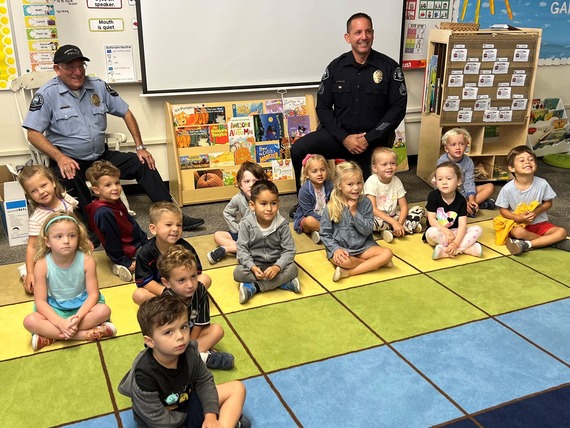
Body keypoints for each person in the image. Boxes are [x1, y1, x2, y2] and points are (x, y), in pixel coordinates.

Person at [21, 44, 204, 231]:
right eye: (70, 67)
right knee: (68, 177)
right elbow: (33, 133)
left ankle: (172, 214)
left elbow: (126, 112)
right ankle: (89, 228)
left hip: (100, 156)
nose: (77, 72)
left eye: (81, 66)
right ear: (57, 69)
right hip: (69, 159)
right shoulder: (47, 94)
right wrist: (60, 157)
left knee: (143, 163)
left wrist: (140, 147)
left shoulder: (97, 86)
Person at [290, 12, 407, 213]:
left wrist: (368, 138)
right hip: (339, 136)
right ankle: (306, 203)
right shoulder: (336, 67)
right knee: (299, 149)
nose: (364, 37)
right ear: (348, 37)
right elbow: (323, 108)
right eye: (358, 32)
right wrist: (344, 138)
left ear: (373, 34)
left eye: (368, 31)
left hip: (372, 141)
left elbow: (397, 109)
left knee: (362, 202)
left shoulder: (389, 68)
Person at [118, 294, 249, 428]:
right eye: (168, 332)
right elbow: (158, 421)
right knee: (237, 420)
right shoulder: (144, 376)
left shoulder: (189, 351)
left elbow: (204, 381)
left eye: (184, 327)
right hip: (165, 423)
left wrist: (210, 416)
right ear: (150, 341)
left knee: (237, 388)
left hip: (186, 403)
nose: (180, 336)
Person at [22, 212, 116, 351]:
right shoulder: (41, 265)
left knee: (103, 311)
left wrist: (77, 318)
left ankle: (51, 336)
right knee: (29, 321)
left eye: (71, 235)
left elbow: (93, 295)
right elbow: (40, 302)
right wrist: (60, 322)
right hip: (55, 308)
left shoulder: (87, 260)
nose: (66, 241)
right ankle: (82, 335)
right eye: (58, 236)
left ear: (78, 238)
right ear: (47, 241)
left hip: (83, 307)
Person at [158, 245, 234, 370]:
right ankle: (203, 358)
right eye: (182, 280)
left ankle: (191, 358)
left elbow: (200, 322)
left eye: (193, 276)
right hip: (174, 339)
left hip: (191, 335)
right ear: (167, 283)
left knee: (217, 330)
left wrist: (191, 344)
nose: (190, 284)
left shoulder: (200, 289)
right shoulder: (167, 301)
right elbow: (168, 335)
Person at [320, 161, 393, 282]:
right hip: (341, 249)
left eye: (359, 183)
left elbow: (367, 230)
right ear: (339, 186)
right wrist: (336, 249)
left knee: (387, 253)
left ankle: (349, 272)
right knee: (344, 261)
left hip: (363, 246)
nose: (356, 188)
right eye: (350, 184)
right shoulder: (331, 206)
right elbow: (325, 233)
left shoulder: (365, 203)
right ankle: (373, 264)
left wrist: (355, 213)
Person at [234, 180, 300, 304]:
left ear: (278, 203)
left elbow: (289, 250)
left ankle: (255, 287)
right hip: (255, 266)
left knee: (293, 269)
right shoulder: (246, 224)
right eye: (263, 204)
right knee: (238, 273)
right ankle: (282, 283)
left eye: (273, 203)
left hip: (276, 264)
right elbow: (242, 249)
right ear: (252, 205)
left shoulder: (282, 224)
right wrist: (252, 267)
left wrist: (277, 267)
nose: (269, 208)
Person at [133, 202, 211, 305]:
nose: (175, 229)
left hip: (184, 286)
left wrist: (185, 286)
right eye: (168, 225)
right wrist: (166, 293)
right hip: (161, 290)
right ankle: (174, 304)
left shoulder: (186, 248)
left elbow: (196, 273)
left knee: (206, 279)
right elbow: (145, 281)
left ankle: (180, 303)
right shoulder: (146, 252)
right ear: (153, 229)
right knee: (138, 295)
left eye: (179, 225)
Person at [494, 145, 568, 255]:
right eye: (522, 160)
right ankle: (551, 242)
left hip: (540, 223)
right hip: (519, 224)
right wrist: (518, 217)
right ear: (512, 168)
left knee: (562, 232)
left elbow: (548, 203)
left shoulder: (542, 183)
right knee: (517, 232)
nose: (527, 162)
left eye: (531, 159)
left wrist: (536, 211)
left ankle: (527, 245)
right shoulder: (507, 189)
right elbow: (503, 210)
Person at [17, 164, 79, 294]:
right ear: (29, 195)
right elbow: (32, 247)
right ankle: (25, 270)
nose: (41, 192)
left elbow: (75, 223)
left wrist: (84, 239)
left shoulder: (66, 200)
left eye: (43, 185)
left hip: (68, 248)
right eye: (34, 191)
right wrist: (30, 273)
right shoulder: (37, 219)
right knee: (38, 289)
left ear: (53, 182)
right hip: (49, 254)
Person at [85, 160, 147, 282]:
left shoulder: (115, 201)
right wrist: (123, 260)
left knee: (165, 246)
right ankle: (120, 266)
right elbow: (110, 239)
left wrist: (144, 240)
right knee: (160, 260)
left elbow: (131, 223)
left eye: (117, 183)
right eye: (108, 185)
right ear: (96, 190)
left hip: (136, 243)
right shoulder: (103, 213)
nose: (115, 188)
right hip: (128, 250)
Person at [207, 161, 267, 265]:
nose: (251, 185)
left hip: (261, 235)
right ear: (240, 184)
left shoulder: (266, 197)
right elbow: (227, 213)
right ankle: (244, 251)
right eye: (247, 181)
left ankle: (228, 249)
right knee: (217, 235)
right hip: (243, 234)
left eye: (255, 181)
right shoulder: (238, 198)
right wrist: (237, 228)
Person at [364, 147, 424, 243]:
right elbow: (373, 209)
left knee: (419, 209)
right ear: (375, 168)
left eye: (393, 163)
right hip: (378, 217)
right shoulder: (371, 182)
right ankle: (408, 226)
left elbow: (404, 207)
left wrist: (398, 223)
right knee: (367, 223)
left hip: (394, 215)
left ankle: (396, 229)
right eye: (384, 164)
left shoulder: (397, 181)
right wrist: (394, 223)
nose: (389, 167)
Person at [424, 162, 483, 259]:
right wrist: (446, 232)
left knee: (478, 229)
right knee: (431, 232)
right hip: (439, 232)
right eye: (440, 179)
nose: (444, 182)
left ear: (458, 181)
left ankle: (448, 250)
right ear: (436, 182)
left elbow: (462, 225)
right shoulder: (433, 196)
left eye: (448, 179)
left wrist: (455, 243)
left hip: (455, 233)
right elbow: (432, 220)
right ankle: (466, 249)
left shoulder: (461, 200)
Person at [436, 128, 495, 217]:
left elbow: (469, 182)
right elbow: (444, 185)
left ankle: (469, 205)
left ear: (467, 145)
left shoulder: (468, 161)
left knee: (490, 187)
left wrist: (471, 198)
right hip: (448, 192)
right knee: (439, 199)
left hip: (463, 190)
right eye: (453, 145)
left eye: (462, 144)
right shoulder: (442, 161)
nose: (458, 147)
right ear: (446, 148)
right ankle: (468, 206)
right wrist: (461, 200)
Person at [292, 154, 333, 244]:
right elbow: (308, 212)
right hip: (310, 217)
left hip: (327, 217)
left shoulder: (330, 185)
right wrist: (325, 221)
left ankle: (319, 232)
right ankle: (330, 233)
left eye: (322, 170)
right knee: (310, 221)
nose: (319, 174)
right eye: (314, 171)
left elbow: (333, 204)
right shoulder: (304, 190)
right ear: (307, 174)